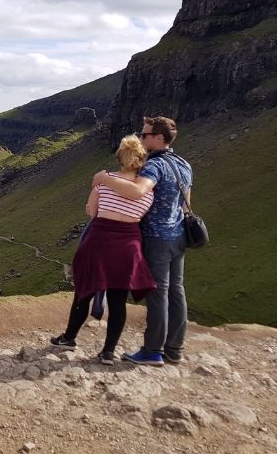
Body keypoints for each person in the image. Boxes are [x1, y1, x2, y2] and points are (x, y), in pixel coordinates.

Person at [93, 116, 192, 367]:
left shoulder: (154, 166)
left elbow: (137, 191)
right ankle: (174, 349)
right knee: (176, 291)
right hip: (178, 235)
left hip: (156, 237)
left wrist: (104, 179)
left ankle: (152, 351)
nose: (141, 137)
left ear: (159, 138)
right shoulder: (184, 165)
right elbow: (185, 204)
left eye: (145, 135)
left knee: (158, 292)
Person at [50, 135, 158, 365]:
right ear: (140, 160)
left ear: (120, 156)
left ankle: (69, 337)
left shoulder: (104, 181)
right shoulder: (147, 190)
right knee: (117, 300)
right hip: (128, 244)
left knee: (83, 292)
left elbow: (92, 211)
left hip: (99, 240)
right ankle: (108, 352)